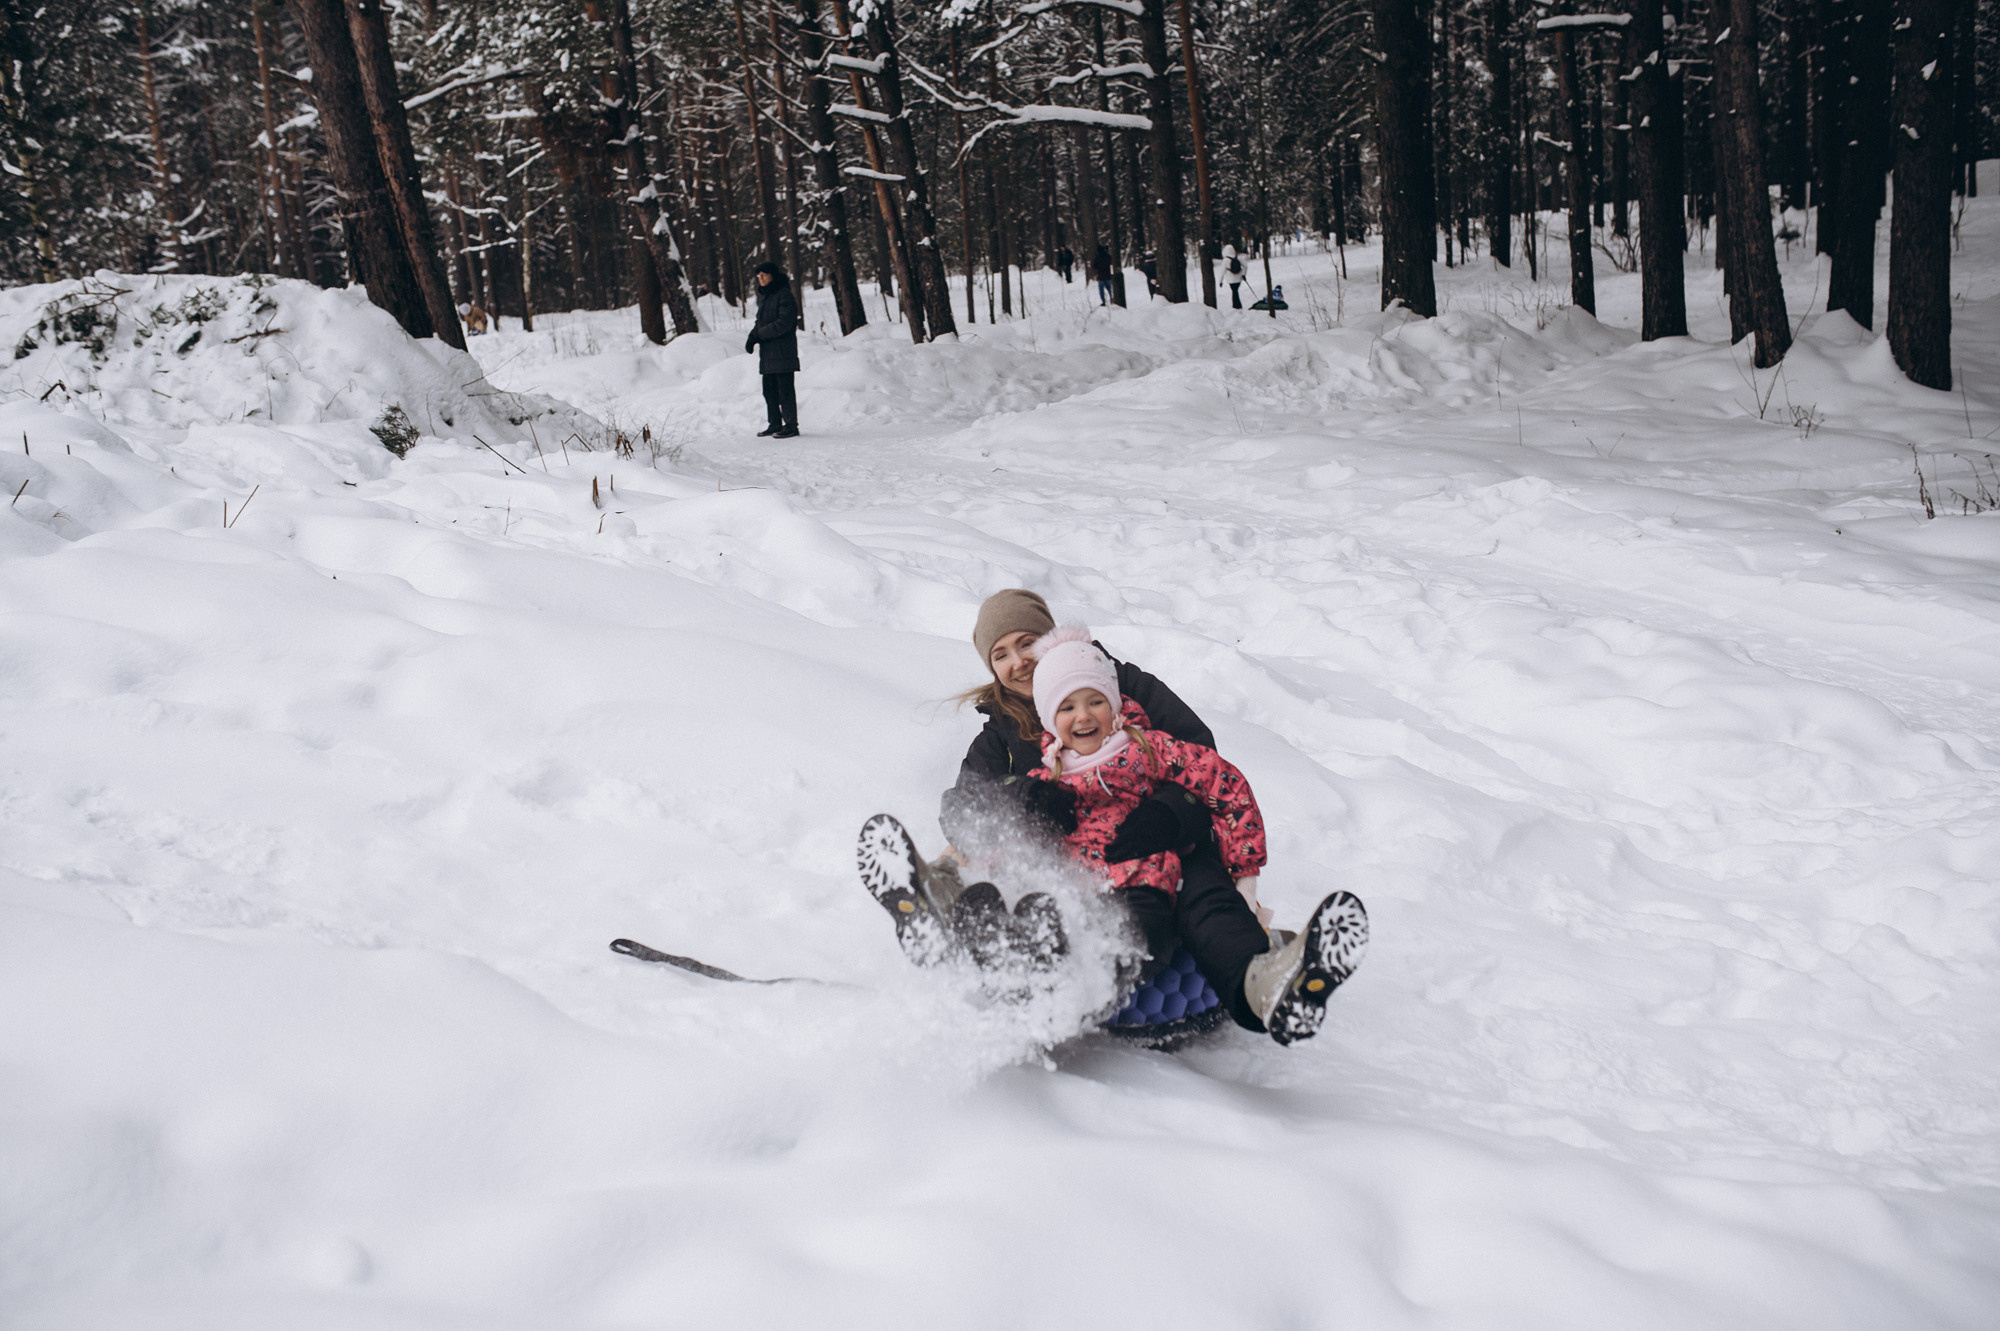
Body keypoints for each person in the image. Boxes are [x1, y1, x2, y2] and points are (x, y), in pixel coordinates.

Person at [934, 590, 1368, 1046]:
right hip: (1081, 867)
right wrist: (1024, 797)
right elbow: (966, 807)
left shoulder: (1124, 690)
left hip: (1168, 844)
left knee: (1207, 898)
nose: (1019, 661)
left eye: (1027, 643)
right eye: (1001, 654)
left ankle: (1262, 982)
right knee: (1080, 908)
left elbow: (1204, 763)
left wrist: (1173, 812)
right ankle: (977, 923)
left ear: (1053, 638)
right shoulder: (1005, 735)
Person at [744, 261, 800, 439]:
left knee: (785, 391)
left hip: (783, 352)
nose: (760, 278)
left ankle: (791, 425)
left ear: (772, 276)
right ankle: (774, 423)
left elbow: (784, 323)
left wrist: (760, 334)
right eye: (758, 275)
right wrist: (753, 336)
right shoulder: (767, 297)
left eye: (763, 275)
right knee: (769, 390)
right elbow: (760, 321)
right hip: (768, 353)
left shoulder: (784, 295)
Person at [1222, 245, 1246, 309]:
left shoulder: (1226, 260)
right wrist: (1243, 274)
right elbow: (1245, 266)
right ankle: (1236, 305)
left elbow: (1222, 271)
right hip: (1239, 278)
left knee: (1234, 291)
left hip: (1231, 279)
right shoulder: (1238, 257)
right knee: (1235, 291)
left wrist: (1220, 281)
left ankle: (1236, 306)